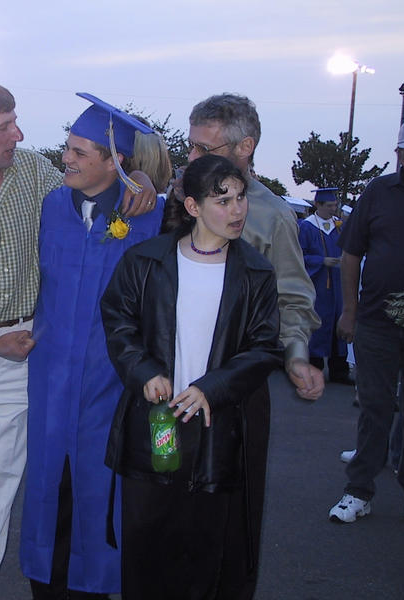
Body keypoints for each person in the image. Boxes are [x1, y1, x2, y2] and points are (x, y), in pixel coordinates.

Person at [0, 80, 156, 600]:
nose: (19, 134)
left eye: (16, 122)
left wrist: (142, 175)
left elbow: (105, 175)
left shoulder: (33, 175)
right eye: (5, 126)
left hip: (22, 352)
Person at [101, 154, 283, 599]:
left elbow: (264, 348)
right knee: (147, 544)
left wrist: (211, 388)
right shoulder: (145, 260)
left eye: (240, 198)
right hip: (157, 424)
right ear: (193, 206)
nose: (237, 210)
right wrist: (143, 371)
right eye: (222, 200)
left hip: (215, 431)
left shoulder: (256, 274)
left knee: (206, 548)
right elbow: (118, 321)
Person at [21, 93, 166, 600]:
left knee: (100, 488)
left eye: (82, 151)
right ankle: (46, 584)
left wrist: (147, 184)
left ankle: (94, 588)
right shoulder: (51, 203)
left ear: (116, 160)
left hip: (111, 383)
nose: (68, 158)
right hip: (49, 376)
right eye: (68, 147)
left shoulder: (153, 218)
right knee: (45, 485)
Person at [184, 93, 322, 595]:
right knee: (164, 497)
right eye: (191, 146)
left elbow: (292, 297)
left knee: (230, 514)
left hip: (234, 395)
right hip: (168, 389)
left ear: (245, 147)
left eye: (206, 148)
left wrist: (298, 358)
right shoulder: (180, 201)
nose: (193, 159)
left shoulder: (270, 216)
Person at [329, 118, 404, 529]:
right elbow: (351, 254)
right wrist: (349, 310)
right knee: (375, 407)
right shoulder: (378, 192)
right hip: (376, 320)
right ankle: (359, 491)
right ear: (399, 154)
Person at [298, 188, 351, 384]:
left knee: (340, 325)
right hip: (318, 286)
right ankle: (314, 370)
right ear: (318, 205)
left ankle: (340, 371)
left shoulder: (338, 227)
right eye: (329, 206)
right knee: (318, 326)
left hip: (338, 287)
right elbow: (298, 256)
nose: (333, 209)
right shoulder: (307, 227)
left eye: (335, 205)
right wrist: (321, 261)